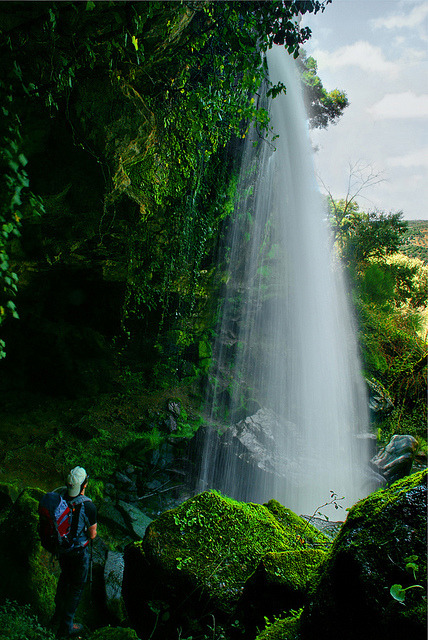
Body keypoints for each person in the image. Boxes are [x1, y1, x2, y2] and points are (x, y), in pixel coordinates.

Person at [53, 466, 97, 638]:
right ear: (84, 484)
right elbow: (92, 534)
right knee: (77, 587)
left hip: (62, 550)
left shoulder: (59, 496)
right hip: (78, 553)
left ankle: (57, 614)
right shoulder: (88, 506)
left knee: (64, 578)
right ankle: (66, 626)